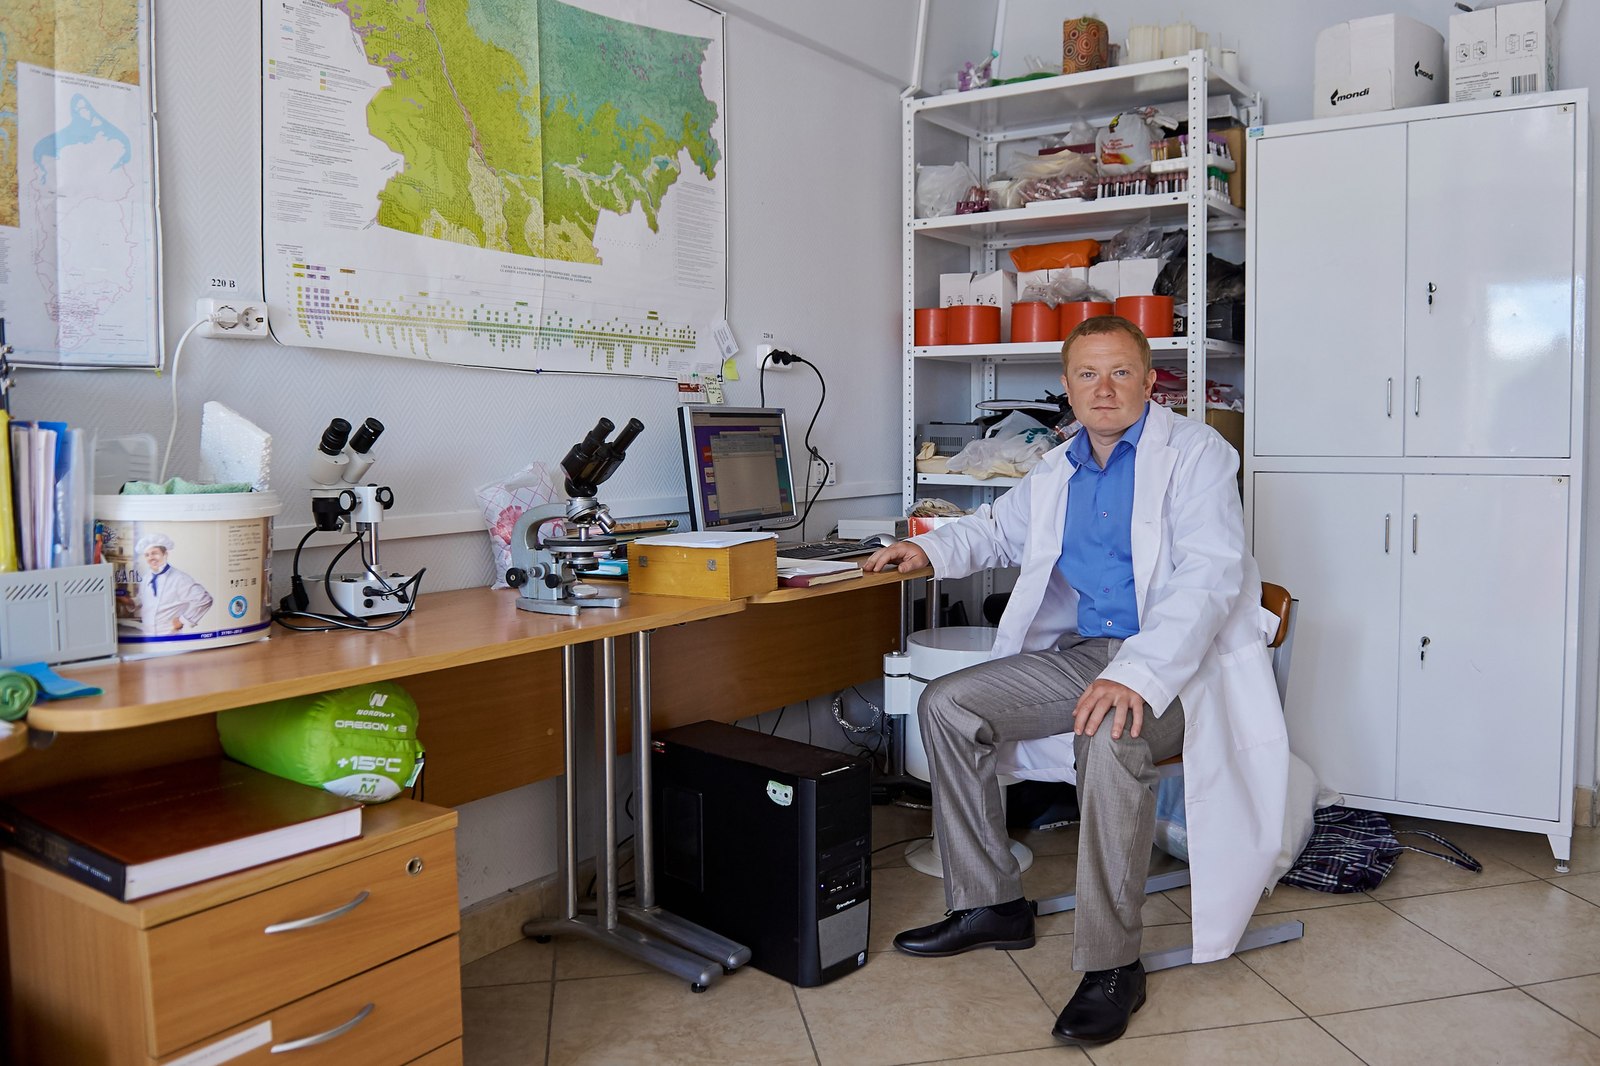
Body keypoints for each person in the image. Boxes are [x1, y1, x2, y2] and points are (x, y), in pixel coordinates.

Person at [864, 315, 1287, 1047]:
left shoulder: (1197, 454)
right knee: (948, 705)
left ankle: (1113, 963)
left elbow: (1210, 577)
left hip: (1184, 669)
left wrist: (1140, 673)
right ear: (1066, 386)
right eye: (1088, 374)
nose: (1104, 389)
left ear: (1151, 381)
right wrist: (923, 553)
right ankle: (989, 902)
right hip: (1089, 653)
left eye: (1121, 372)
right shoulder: (1058, 466)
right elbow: (996, 529)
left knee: (1110, 734)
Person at [134, 533, 213, 635]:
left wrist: (183, 620)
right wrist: (131, 602)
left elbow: (204, 599)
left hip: (170, 636)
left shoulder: (179, 578)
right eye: (147, 555)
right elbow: (143, 599)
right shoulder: (146, 578)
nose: (151, 557)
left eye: (154, 553)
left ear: (165, 554)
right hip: (148, 636)